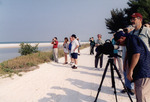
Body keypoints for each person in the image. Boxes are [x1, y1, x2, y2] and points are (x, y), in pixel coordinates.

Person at [114, 31, 150, 102]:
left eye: (119, 42)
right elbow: (129, 51)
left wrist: (130, 71)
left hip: (143, 71)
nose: (119, 44)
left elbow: (136, 54)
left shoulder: (132, 39)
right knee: (139, 95)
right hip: (139, 71)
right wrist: (125, 62)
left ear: (122, 37)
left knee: (142, 95)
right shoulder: (129, 40)